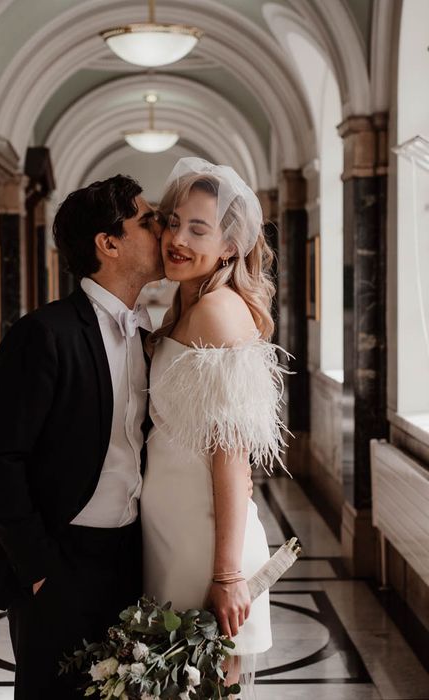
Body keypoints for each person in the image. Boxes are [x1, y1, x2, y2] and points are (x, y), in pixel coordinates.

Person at [0, 174, 164, 699]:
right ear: (109, 243)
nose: (161, 230)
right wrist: (40, 569)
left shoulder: (146, 334)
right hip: (59, 561)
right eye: (147, 220)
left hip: (130, 557)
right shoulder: (45, 334)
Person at [141, 157, 287, 697]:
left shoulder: (218, 312)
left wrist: (226, 576)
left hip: (208, 545)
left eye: (198, 229)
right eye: (173, 222)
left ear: (229, 246)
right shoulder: (187, 305)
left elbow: (233, 459)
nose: (177, 238)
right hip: (175, 536)